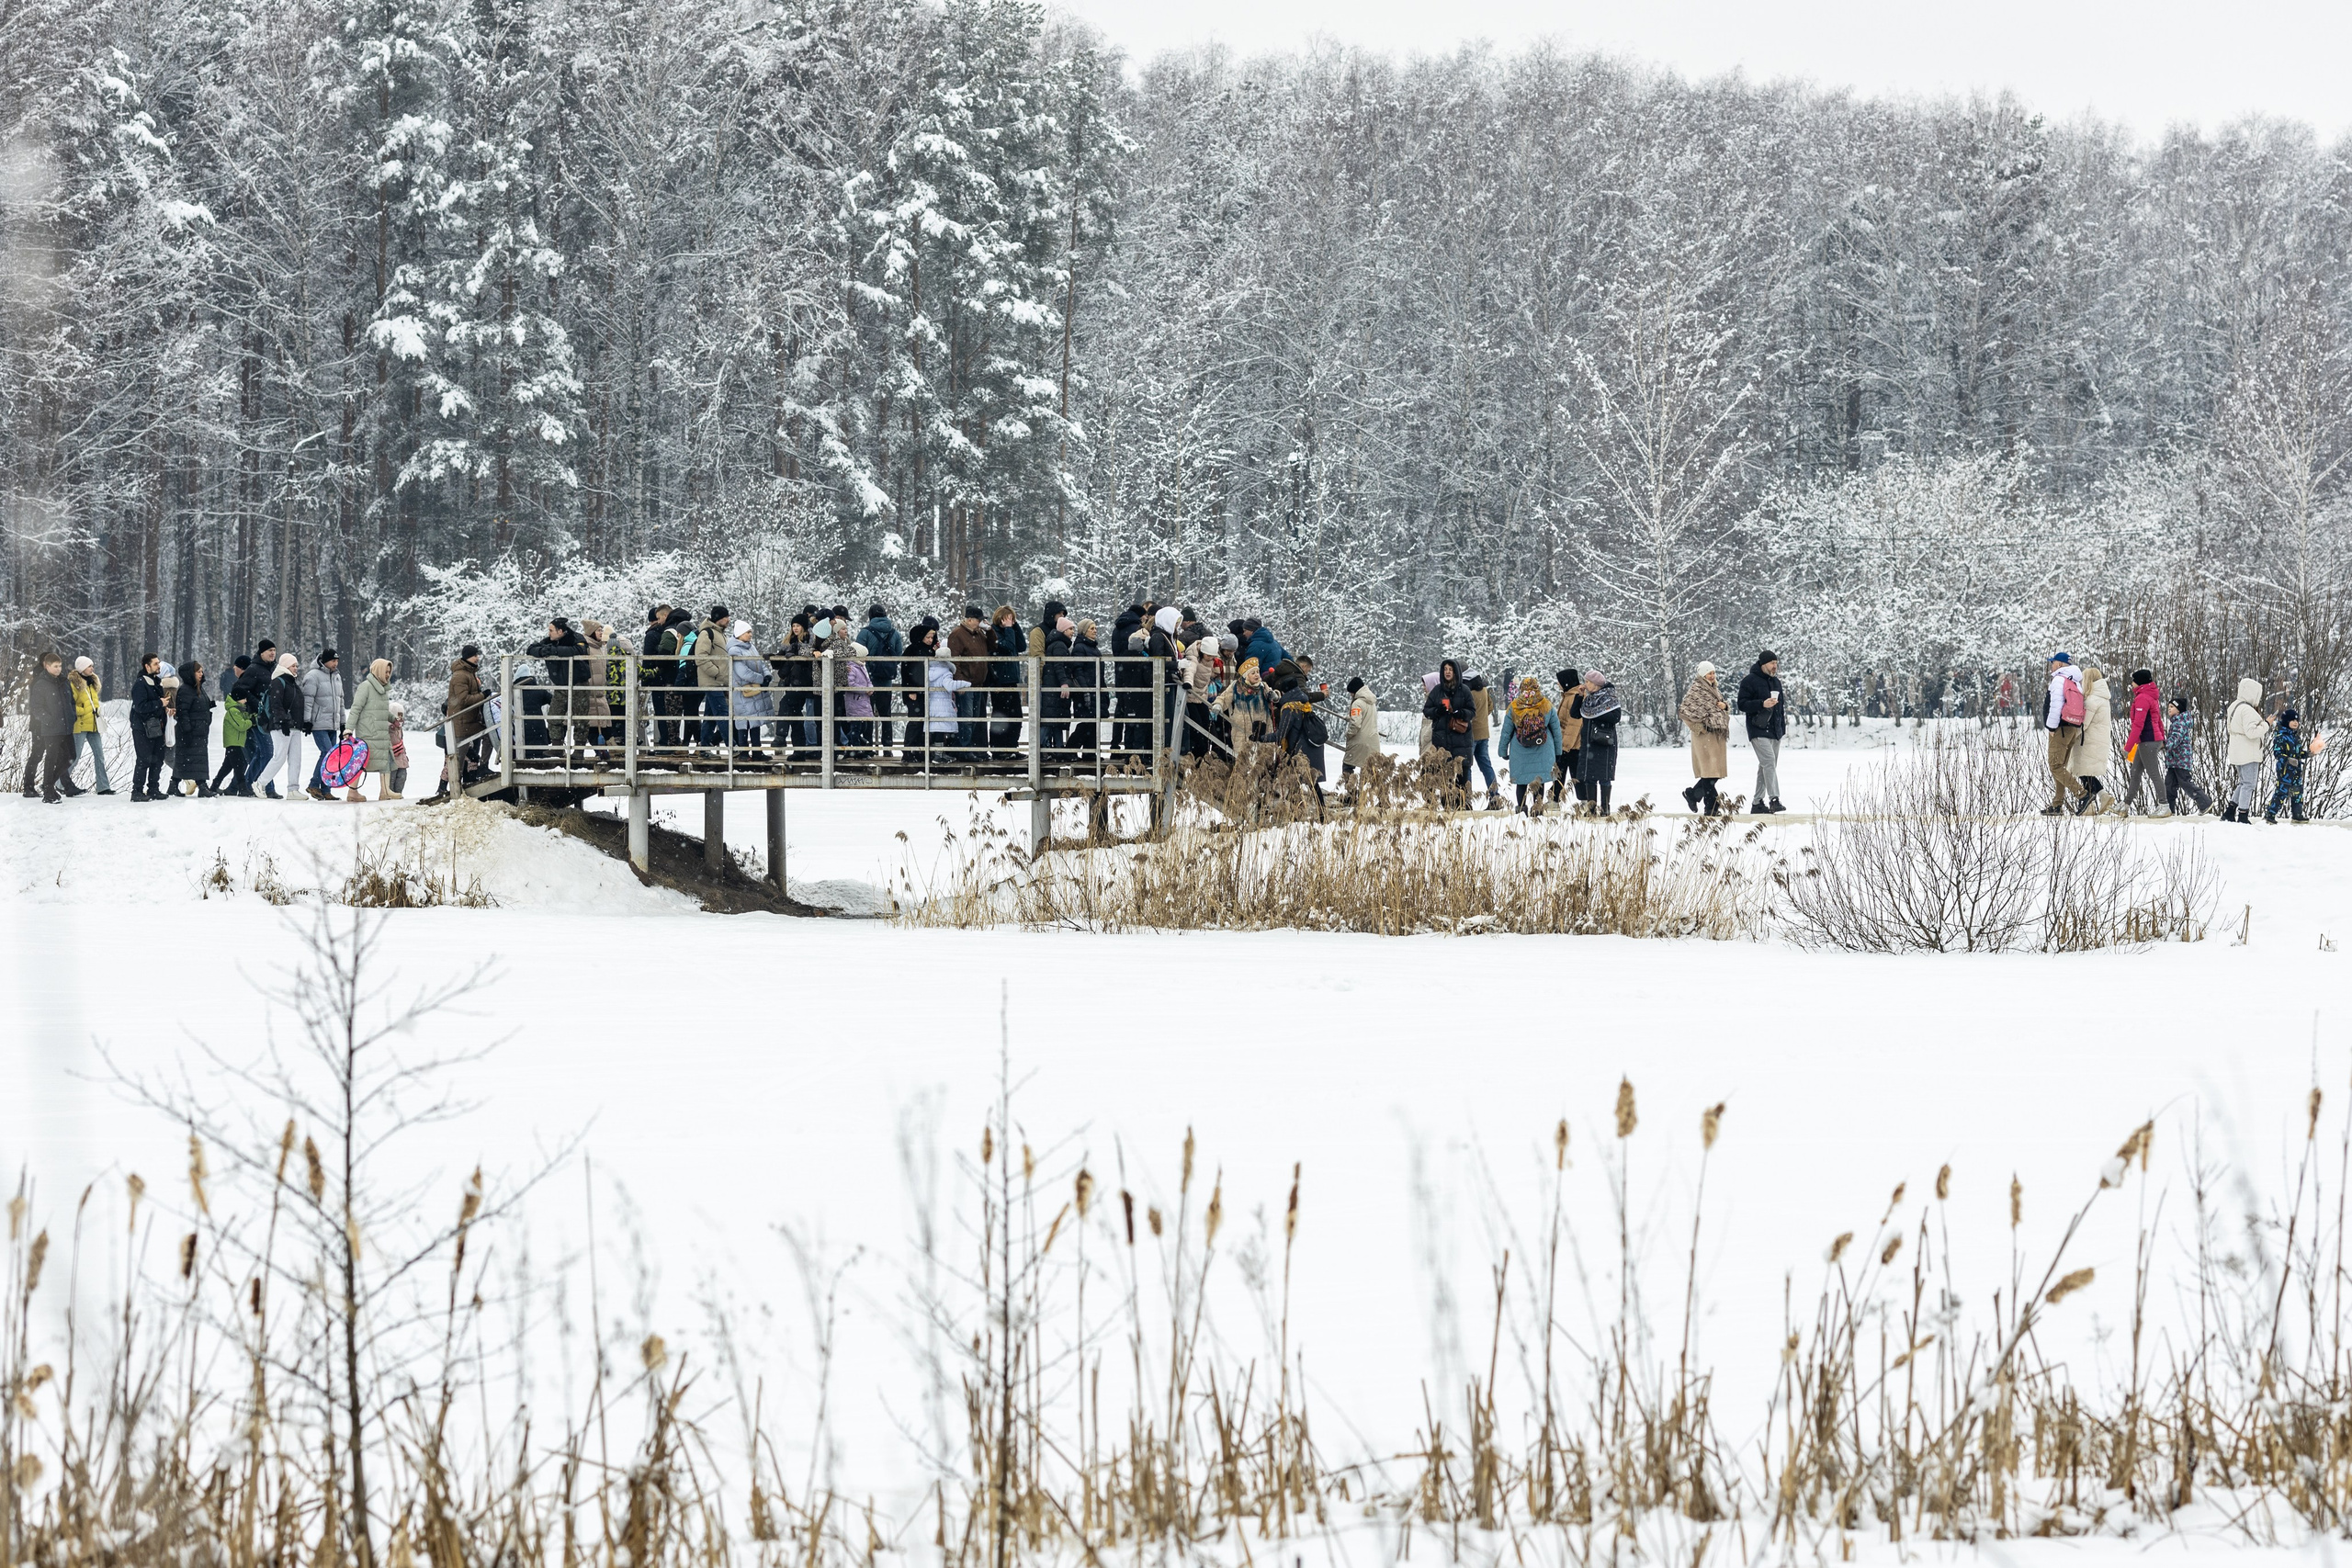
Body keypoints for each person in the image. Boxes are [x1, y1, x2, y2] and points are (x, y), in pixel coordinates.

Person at [526, 616, 590, 761]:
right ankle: (557, 747)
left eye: (551, 630)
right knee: (554, 715)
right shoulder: (550, 641)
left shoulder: (576, 638)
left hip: (578, 683)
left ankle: (579, 750)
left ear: (560, 631)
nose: (549, 634)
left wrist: (555, 651)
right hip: (561, 685)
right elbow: (531, 648)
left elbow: (579, 650)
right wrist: (543, 651)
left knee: (581, 718)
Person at [246, 653, 308, 798]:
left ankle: (293, 790)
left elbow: (296, 706)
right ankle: (260, 783)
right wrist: (283, 721)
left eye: (296, 665)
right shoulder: (278, 682)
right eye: (293, 665)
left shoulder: (292, 683)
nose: (296, 668)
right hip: (281, 727)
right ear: (286, 666)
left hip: (294, 727)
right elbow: (276, 704)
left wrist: (302, 723)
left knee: (295, 759)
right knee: (278, 757)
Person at [1499, 675, 1561, 815]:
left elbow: (1506, 731)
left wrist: (1503, 751)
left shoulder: (1514, 707)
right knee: (1538, 781)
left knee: (1521, 781)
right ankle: (1537, 808)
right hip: (1543, 749)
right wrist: (1558, 751)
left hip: (1520, 750)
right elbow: (1556, 730)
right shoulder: (1546, 705)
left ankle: (1521, 810)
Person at [20, 651, 77, 802]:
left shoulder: (64, 681)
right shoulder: (40, 683)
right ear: (46, 666)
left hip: (66, 726)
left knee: (70, 756)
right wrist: (48, 720)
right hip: (49, 728)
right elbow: (36, 707)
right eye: (55, 666)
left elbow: (71, 701)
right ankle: (45, 789)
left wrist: (72, 716)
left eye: (60, 666)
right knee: (47, 757)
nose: (59, 669)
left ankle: (48, 785)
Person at [1736, 651, 1786, 814]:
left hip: (1775, 730)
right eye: (1772, 663)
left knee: (1766, 766)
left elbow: (1781, 708)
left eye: (1776, 663)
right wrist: (1761, 704)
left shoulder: (1776, 682)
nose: (1775, 666)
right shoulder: (1749, 681)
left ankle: (1757, 803)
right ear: (1763, 664)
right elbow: (1742, 704)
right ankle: (1774, 799)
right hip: (1758, 728)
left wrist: (1781, 729)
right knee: (1769, 762)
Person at [1422, 659, 1478, 802]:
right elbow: (1427, 711)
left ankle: (1463, 804)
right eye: (1445, 669)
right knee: (1444, 774)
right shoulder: (1437, 691)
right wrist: (1438, 711)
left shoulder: (1464, 690)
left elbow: (1472, 711)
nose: (1447, 672)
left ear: (1456, 672)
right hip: (1442, 740)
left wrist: (1461, 713)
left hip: (1461, 738)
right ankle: (1446, 803)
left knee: (1462, 774)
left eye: (1450, 669)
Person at [345, 658, 398, 802]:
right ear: (378, 670)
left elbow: (381, 711)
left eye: (389, 672)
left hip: (381, 733)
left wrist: (393, 719)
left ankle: (385, 791)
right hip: (368, 733)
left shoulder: (383, 689)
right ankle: (352, 792)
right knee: (362, 763)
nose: (387, 675)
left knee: (385, 759)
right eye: (385, 672)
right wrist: (348, 729)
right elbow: (356, 709)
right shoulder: (366, 687)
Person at [1679, 662, 1730, 815]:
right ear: (1702, 675)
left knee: (1714, 773)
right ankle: (1711, 808)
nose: (1712, 676)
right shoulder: (1696, 690)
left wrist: (1725, 707)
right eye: (1709, 673)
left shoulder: (1714, 689)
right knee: (1709, 773)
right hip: (1705, 737)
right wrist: (1699, 729)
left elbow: (1718, 708)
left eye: (1713, 673)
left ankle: (1693, 795)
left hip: (1717, 735)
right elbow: (1684, 712)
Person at [2041, 652, 2086, 816]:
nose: (2051, 665)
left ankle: (2082, 794)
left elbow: (2055, 706)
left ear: (2059, 664)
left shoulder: (2059, 680)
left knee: (2055, 766)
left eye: (2053, 662)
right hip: (2072, 728)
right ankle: (2057, 804)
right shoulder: (2075, 680)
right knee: (2060, 767)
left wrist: (2051, 728)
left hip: (2059, 729)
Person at [2066, 666, 2115, 816]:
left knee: (2083, 771)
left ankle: (2093, 802)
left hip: (2088, 741)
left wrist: (2070, 735)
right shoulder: (2102, 698)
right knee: (2086, 772)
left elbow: (2084, 724)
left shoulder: (2092, 700)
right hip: (2096, 740)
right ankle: (2100, 798)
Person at [441, 646, 491, 792]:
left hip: (471, 721)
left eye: (477, 655)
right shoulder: (461, 675)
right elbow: (463, 699)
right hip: (461, 722)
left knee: (489, 735)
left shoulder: (469, 674)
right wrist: (483, 696)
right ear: (467, 657)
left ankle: (481, 769)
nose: (477, 658)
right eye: (474, 655)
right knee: (458, 759)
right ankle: (453, 789)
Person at [2222, 677, 2270, 824]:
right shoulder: (2247, 710)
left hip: (2237, 749)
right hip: (2249, 752)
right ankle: (2243, 815)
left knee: (2243, 782)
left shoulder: (2234, 706)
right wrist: (2267, 723)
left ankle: (2230, 811)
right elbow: (2252, 732)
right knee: (2249, 784)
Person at [2119, 668, 2167, 813]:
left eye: (2133, 680)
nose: (2132, 683)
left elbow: (2138, 726)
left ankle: (2164, 805)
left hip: (2148, 740)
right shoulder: (2149, 696)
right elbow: (2158, 720)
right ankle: (2125, 805)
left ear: (2139, 682)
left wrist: (2127, 747)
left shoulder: (2142, 698)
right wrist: (2162, 738)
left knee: (2153, 773)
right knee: (2135, 772)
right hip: (2148, 740)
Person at [233, 639, 279, 789]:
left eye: (274, 650)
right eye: (269, 651)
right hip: (257, 717)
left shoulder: (275, 669)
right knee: (268, 753)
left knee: (261, 753)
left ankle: (246, 785)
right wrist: (257, 704)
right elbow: (240, 688)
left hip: (270, 717)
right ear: (261, 653)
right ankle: (267, 788)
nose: (272, 653)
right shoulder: (253, 669)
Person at [1213, 657, 1273, 771]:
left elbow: (1273, 701)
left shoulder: (1263, 687)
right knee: (1243, 761)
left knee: (1261, 761)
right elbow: (1224, 698)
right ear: (1246, 676)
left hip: (1262, 729)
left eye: (1257, 672)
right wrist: (1218, 705)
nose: (1257, 675)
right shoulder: (1236, 686)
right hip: (1241, 730)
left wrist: (1275, 696)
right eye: (1253, 673)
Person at [1577, 672, 1623, 816]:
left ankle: (1605, 808)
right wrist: (1579, 697)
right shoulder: (1588, 700)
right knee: (1589, 776)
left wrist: (1597, 712)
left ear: (1596, 684)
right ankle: (1591, 808)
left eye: (1588, 682)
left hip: (1604, 742)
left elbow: (1615, 717)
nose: (1585, 684)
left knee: (1604, 777)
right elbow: (1575, 714)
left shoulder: (1610, 698)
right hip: (1589, 743)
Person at [947, 605, 991, 758]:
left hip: (978, 683)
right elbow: (954, 661)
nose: (980, 623)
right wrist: (960, 681)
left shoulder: (979, 633)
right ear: (970, 619)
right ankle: (964, 749)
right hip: (966, 683)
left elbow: (992, 646)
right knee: (966, 718)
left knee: (974, 718)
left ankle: (970, 748)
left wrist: (990, 631)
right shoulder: (957, 634)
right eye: (978, 620)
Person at [66, 656, 114, 795]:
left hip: (94, 725)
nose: (92, 668)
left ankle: (103, 787)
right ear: (81, 668)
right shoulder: (73, 684)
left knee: (99, 755)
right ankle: (60, 783)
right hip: (80, 725)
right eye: (89, 666)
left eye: (92, 666)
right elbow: (71, 705)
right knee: (75, 757)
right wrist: (84, 711)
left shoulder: (92, 682)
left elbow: (93, 703)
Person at [166, 662, 214, 798]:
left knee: (189, 759)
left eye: (201, 671)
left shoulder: (198, 688)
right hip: (191, 731)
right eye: (198, 671)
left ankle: (174, 784)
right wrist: (187, 730)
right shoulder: (186, 689)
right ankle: (202, 785)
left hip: (199, 730)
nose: (201, 674)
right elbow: (183, 712)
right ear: (190, 674)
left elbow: (196, 706)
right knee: (193, 759)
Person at [300, 650, 343, 798]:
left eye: (337, 661)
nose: (335, 663)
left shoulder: (337, 676)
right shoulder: (313, 676)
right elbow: (308, 700)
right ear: (324, 661)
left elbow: (340, 702)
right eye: (332, 661)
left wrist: (342, 724)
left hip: (333, 724)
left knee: (332, 757)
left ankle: (326, 790)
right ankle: (313, 784)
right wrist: (306, 721)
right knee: (327, 753)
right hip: (318, 723)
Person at [2162, 697, 2212, 817]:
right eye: (2168, 707)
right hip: (2174, 761)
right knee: (2169, 785)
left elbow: (2176, 738)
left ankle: (2205, 802)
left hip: (2180, 760)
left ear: (2179, 710)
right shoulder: (2176, 722)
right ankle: (2169, 809)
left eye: (2172, 707)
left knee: (2186, 783)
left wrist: (2165, 744)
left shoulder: (2180, 723)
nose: (2169, 709)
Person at [987, 606, 1026, 759]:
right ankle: (998, 749)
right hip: (999, 681)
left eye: (1012, 618)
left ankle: (1012, 748)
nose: (1010, 621)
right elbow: (1008, 647)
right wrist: (1009, 629)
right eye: (1007, 618)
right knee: (1001, 717)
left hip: (1011, 681)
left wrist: (1015, 626)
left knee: (1016, 716)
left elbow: (1021, 646)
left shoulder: (1010, 631)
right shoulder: (993, 633)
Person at [129, 653, 169, 800]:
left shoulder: (156, 682)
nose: (159, 666)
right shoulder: (140, 684)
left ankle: (153, 789)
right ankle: (137, 791)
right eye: (156, 663)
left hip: (156, 727)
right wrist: (159, 703)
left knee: (157, 759)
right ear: (147, 666)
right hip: (142, 728)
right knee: (144, 759)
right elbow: (140, 706)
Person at [214, 656, 254, 795]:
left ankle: (215, 785)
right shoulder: (233, 711)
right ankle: (242, 788)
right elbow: (242, 725)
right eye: (243, 699)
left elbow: (244, 718)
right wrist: (252, 721)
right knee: (239, 766)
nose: (245, 701)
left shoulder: (239, 710)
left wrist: (251, 716)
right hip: (233, 742)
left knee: (228, 766)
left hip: (238, 742)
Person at [2265, 709, 2314, 823]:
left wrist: (2307, 754)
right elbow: (2277, 753)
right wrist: (2288, 760)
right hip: (2285, 770)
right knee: (2281, 792)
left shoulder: (2296, 737)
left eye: (2297, 720)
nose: (2295, 722)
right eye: (2292, 720)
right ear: (2287, 721)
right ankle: (2270, 814)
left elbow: (2298, 753)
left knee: (2297, 792)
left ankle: (2297, 814)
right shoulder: (2281, 736)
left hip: (2296, 770)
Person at [1465, 672, 1500, 807]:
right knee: (1486, 766)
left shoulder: (1468, 693)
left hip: (1471, 733)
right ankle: (1495, 796)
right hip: (1484, 733)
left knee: (1467, 767)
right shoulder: (1485, 691)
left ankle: (1467, 800)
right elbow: (1490, 707)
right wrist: (1482, 718)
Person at [1554, 669, 1584, 809]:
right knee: (1560, 772)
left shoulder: (1574, 697)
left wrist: (1564, 746)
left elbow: (1573, 725)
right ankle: (1554, 800)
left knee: (1575, 774)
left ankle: (1585, 801)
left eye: (1560, 681)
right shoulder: (1568, 695)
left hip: (1572, 745)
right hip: (1566, 744)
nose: (1558, 684)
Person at [1341, 675, 1380, 778]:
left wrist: (1349, 734)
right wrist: (1350, 717)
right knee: (1366, 770)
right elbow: (1365, 718)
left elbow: (1356, 723)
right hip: (1372, 740)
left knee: (1347, 766)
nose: (1350, 695)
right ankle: (1363, 792)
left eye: (1351, 693)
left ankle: (1351, 792)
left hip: (1359, 741)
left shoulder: (1357, 703)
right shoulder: (1371, 702)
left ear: (1354, 691)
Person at [387, 701, 412, 795]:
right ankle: (391, 794)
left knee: (402, 777)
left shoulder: (400, 730)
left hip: (401, 757)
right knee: (391, 778)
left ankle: (398, 794)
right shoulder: (387, 729)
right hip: (392, 758)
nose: (400, 720)